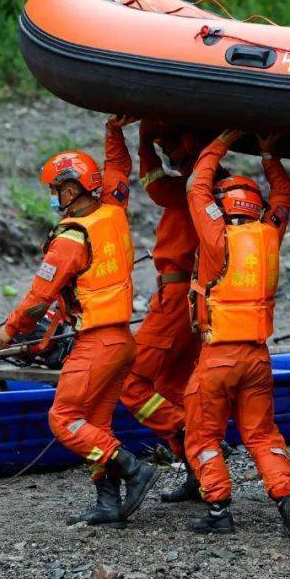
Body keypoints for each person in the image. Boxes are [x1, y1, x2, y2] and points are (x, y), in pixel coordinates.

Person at [0, 116, 157, 527]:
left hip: (97, 342)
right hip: (122, 340)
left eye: (55, 190)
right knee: (96, 423)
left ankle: (134, 468)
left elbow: (38, 300)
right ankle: (108, 504)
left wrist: (9, 331)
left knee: (64, 418)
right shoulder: (114, 211)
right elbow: (118, 170)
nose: (53, 197)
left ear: (70, 189)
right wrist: (113, 132)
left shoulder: (71, 239)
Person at [184, 129, 290, 537]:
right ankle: (286, 498)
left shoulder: (217, 237)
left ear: (225, 207)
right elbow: (284, 194)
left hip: (218, 355)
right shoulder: (270, 232)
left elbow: (195, 187)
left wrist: (219, 142)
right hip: (257, 355)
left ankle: (219, 511)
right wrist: (269, 155)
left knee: (203, 433)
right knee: (261, 433)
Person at [120, 122, 203, 503]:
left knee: (131, 382)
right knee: (173, 386)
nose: (167, 154)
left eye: (172, 147)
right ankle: (198, 474)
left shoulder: (191, 189)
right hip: (190, 299)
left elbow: (153, 182)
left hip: (176, 298)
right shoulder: (204, 187)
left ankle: (186, 431)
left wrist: (139, 137)